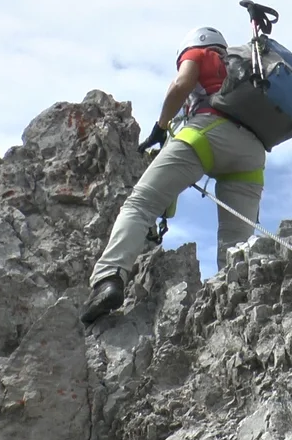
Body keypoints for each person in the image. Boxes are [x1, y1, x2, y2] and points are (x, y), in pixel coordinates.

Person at [80, 26, 267, 324]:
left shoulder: (201, 52)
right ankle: (239, 307)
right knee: (237, 241)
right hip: (253, 154)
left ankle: (108, 279)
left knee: (140, 205)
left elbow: (182, 84)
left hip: (208, 133)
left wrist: (161, 125)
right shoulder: (249, 71)